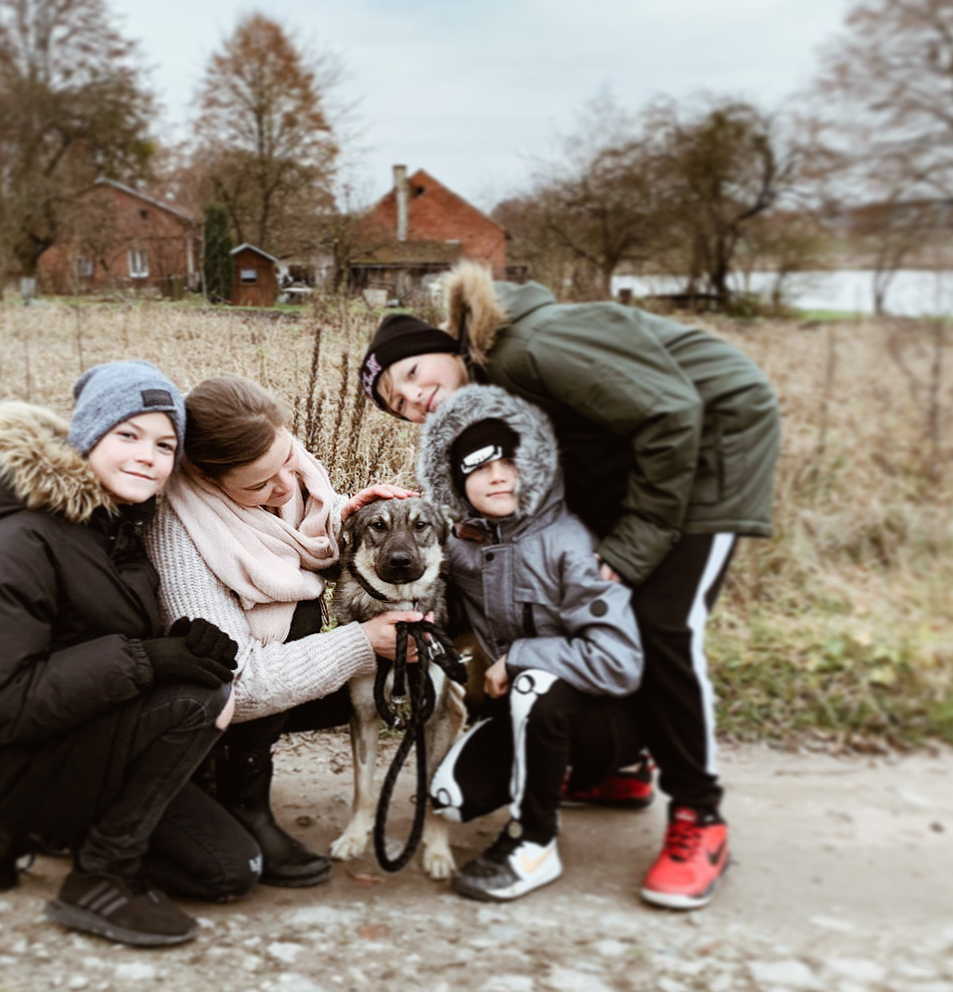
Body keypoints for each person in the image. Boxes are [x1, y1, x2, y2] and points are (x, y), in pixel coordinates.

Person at [360, 261, 781, 910]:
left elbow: (671, 413)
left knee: (664, 624)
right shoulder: (490, 384)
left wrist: (636, 542)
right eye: (397, 402)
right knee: (593, 603)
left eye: (413, 374)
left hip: (713, 443)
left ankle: (700, 817)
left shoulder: (525, 348)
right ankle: (619, 765)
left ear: (445, 344)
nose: (414, 399)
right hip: (658, 456)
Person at [0, 360, 245, 948]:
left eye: (165, 445)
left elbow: (94, 641)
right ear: (89, 435)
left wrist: (181, 644)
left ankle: (30, 831)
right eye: (128, 435)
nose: (147, 456)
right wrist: (150, 660)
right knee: (196, 699)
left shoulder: (117, 531)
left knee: (231, 870)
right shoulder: (12, 544)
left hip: (72, 739)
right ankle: (98, 875)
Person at [145, 375, 425, 887]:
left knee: (363, 666)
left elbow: (291, 536)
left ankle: (240, 782)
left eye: (288, 461)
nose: (284, 488)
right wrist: (362, 642)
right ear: (206, 476)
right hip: (207, 698)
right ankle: (229, 789)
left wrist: (347, 518)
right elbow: (235, 683)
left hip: (260, 669)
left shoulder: (285, 478)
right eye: (258, 485)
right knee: (226, 872)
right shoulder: (180, 533)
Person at [419, 384, 644, 902]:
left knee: (533, 685)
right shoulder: (461, 545)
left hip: (601, 718)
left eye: (508, 461)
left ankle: (535, 841)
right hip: (526, 715)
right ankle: (545, 776)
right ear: (456, 481)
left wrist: (518, 657)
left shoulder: (569, 542)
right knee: (450, 797)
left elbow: (619, 660)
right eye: (478, 467)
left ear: (534, 465)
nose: (498, 475)